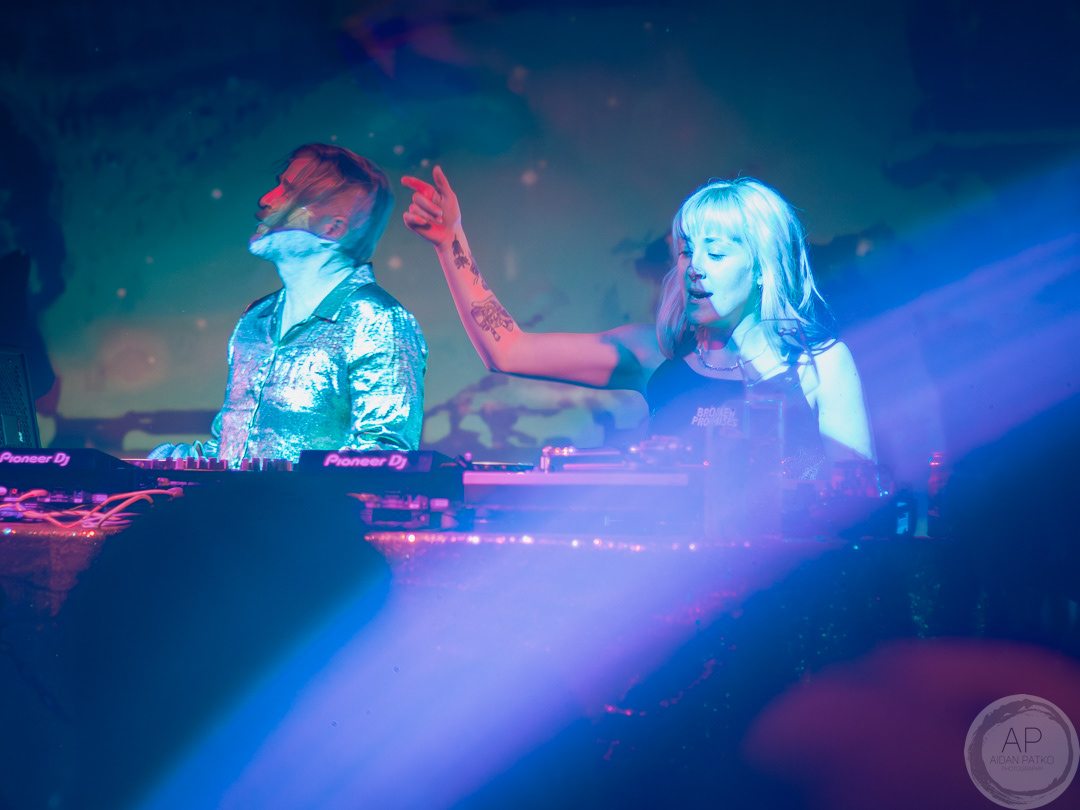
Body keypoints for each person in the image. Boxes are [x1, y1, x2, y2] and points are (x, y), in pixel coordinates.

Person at [401, 168, 871, 478]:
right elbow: (508, 350)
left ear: (763, 267)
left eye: (716, 253)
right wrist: (450, 241)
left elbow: (857, 503)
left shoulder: (820, 364)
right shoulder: (654, 356)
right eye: (686, 251)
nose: (695, 267)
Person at [151, 144, 426, 463]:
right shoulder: (255, 319)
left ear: (333, 227)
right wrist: (168, 461)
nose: (266, 199)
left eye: (289, 191)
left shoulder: (377, 319)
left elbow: (383, 457)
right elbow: (229, 451)